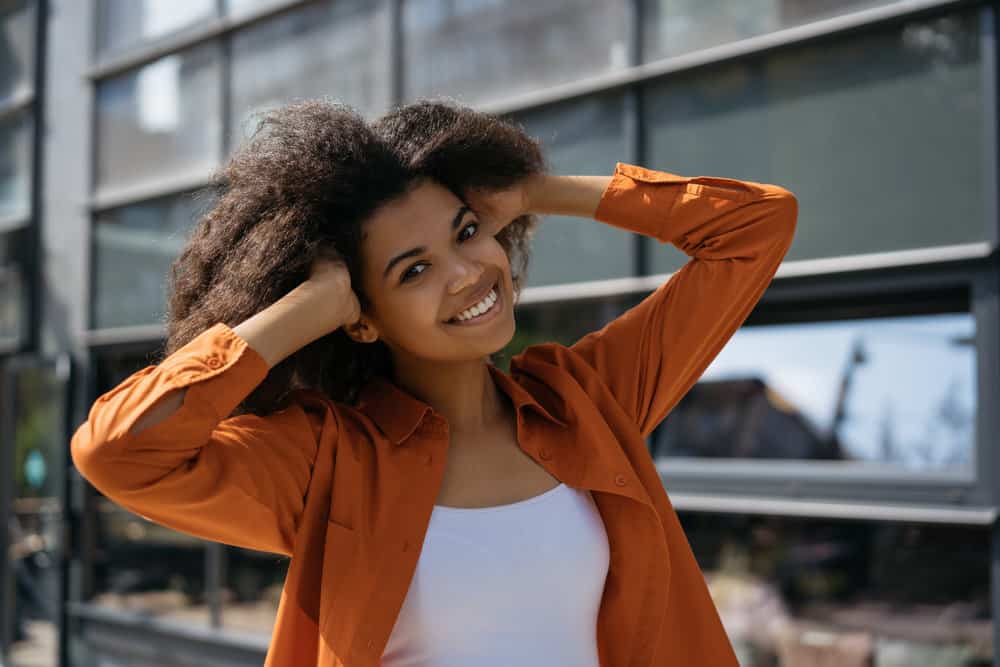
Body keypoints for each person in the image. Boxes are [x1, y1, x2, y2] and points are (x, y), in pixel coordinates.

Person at [70, 99, 797, 666]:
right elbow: (118, 452)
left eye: (466, 231)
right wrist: (301, 312)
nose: (466, 272)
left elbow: (756, 228)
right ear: (362, 317)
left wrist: (537, 191)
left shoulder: (587, 401)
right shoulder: (328, 460)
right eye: (411, 270)